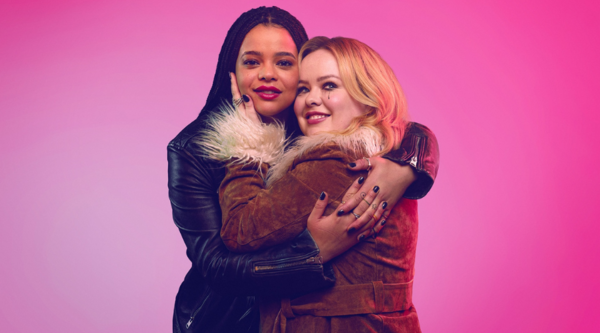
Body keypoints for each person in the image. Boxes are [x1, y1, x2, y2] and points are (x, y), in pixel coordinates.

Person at [168, 6, 438, 333]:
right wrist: (312, 252)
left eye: (284, 63)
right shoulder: (192, 148)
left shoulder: (317, 131)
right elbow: (217, 267)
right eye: (252, 61)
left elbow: (400, 127)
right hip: (225, 318)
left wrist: (407, 164)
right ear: (232, 71)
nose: (268, 74)